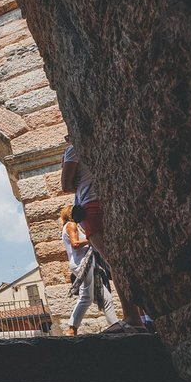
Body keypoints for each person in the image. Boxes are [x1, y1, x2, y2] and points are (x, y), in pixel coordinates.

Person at [61, 135, 144, 332]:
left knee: (113, 261)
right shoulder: (101, 140)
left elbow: (65, 185)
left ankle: (132, 318)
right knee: (124, 257)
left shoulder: (74, 149)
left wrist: (65, 159)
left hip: (90, 206)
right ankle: (141, 313)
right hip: (112, 200)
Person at [60, 205, 117, 335]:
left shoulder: (68, 226)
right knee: (86, 297)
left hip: (86, 262)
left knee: (106, 297)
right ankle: (71, 329)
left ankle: (114, 325)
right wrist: (91, 238)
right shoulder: (71, 225)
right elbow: (75, 244)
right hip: (82, 263)